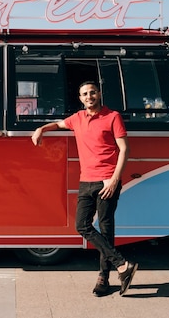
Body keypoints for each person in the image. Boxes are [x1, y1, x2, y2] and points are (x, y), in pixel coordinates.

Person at [31, 81, 138, 297]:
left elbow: (124, 149)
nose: (89, 96)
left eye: (92, 92)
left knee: (106, 230)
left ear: (99, 94)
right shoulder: (78, 118)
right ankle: (122, 265)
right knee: (82, 225)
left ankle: (103, 278)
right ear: (80, 98)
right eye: (84, 94)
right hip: (86, 180)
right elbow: (60, 124)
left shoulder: (112, 116)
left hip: (107, 181)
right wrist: (41, 129)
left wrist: (115, 179)